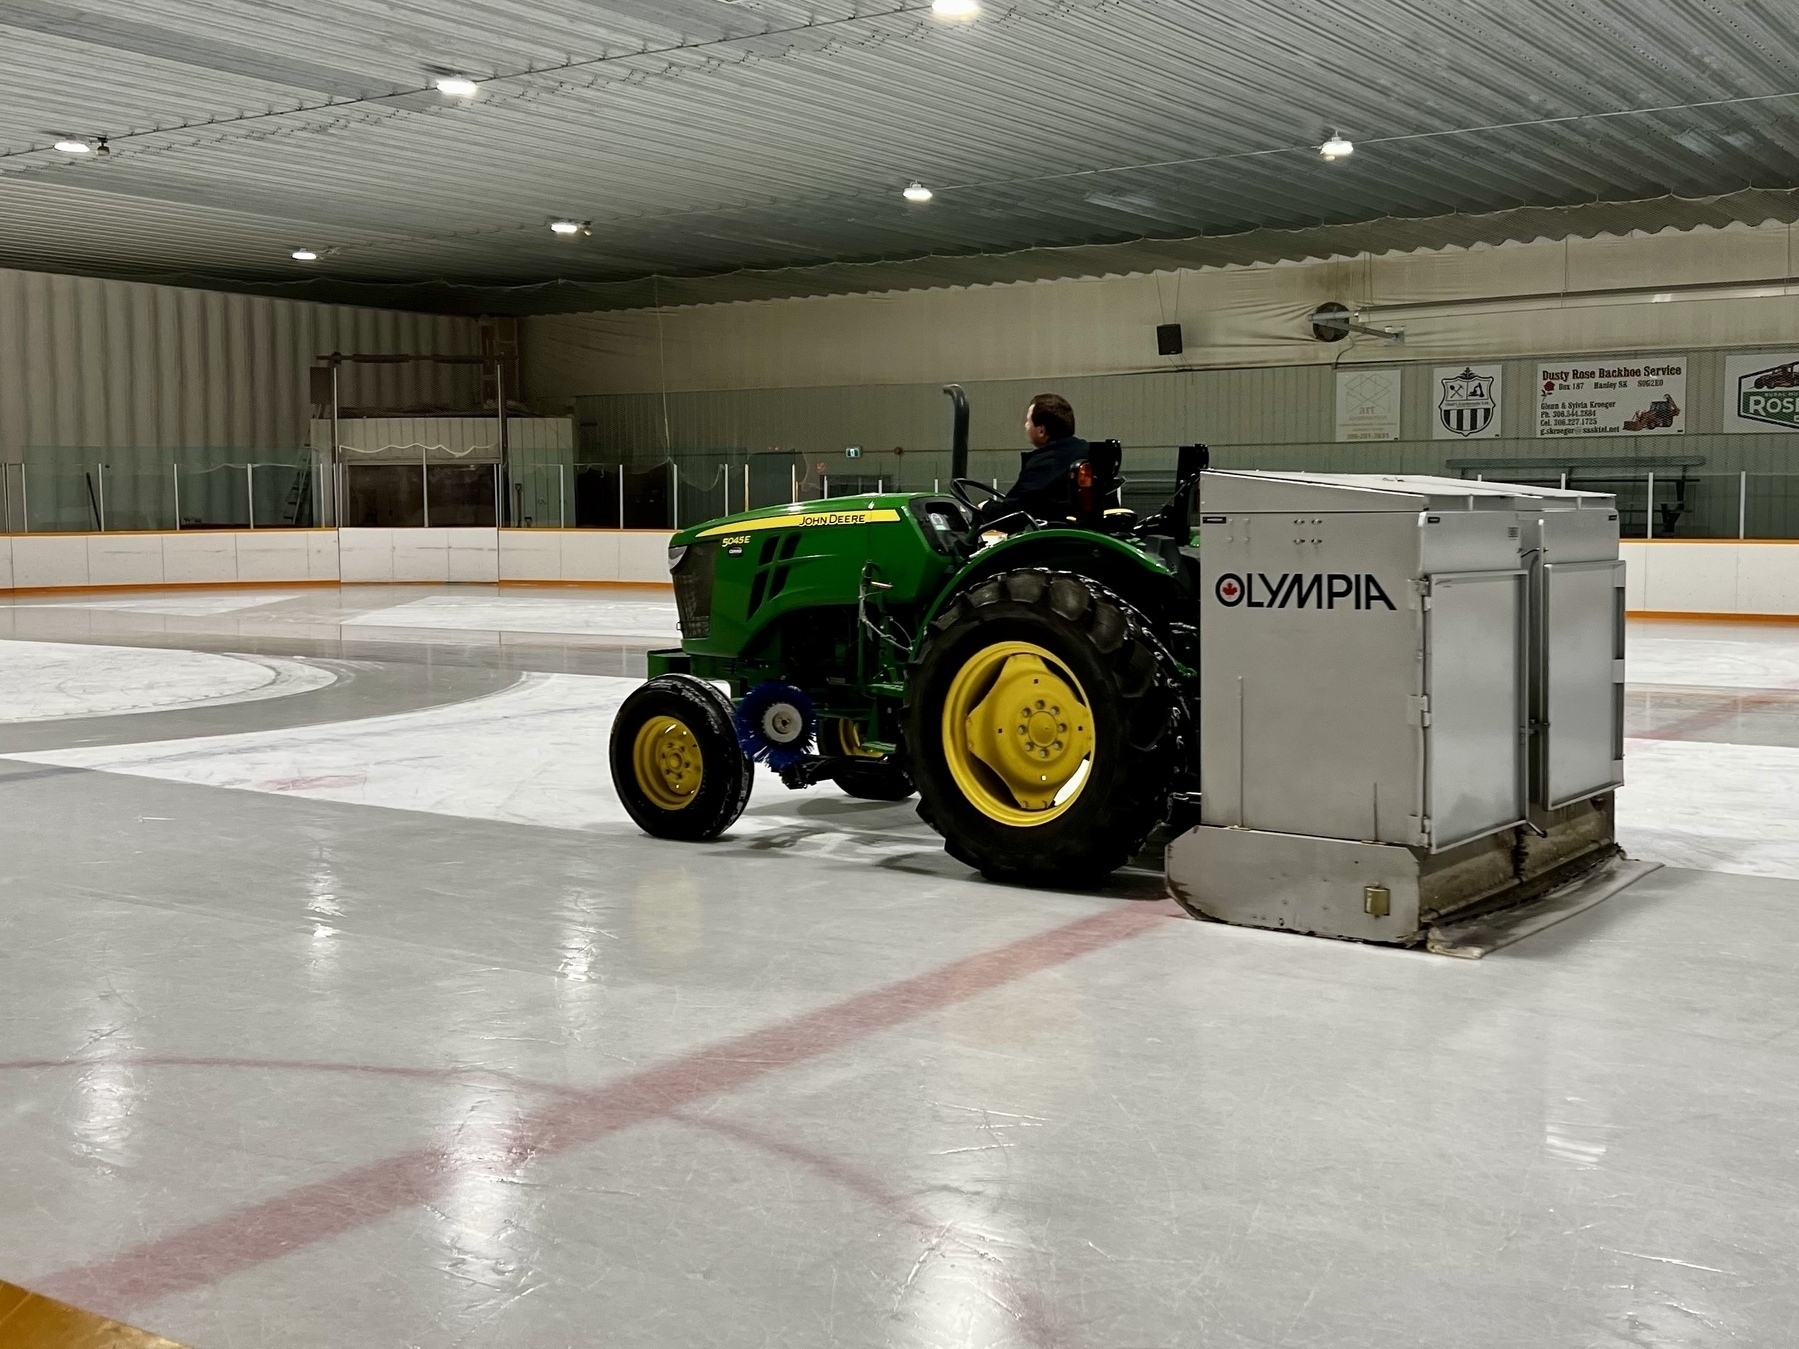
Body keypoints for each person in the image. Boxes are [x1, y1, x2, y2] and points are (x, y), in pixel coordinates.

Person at [1001, 393, 1089, 519]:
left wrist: (987, 508)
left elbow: (1011, 514)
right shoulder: (1087, 451)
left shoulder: (1044, 462)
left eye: (1028, 421)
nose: (1025, 425)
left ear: (1041, 430)